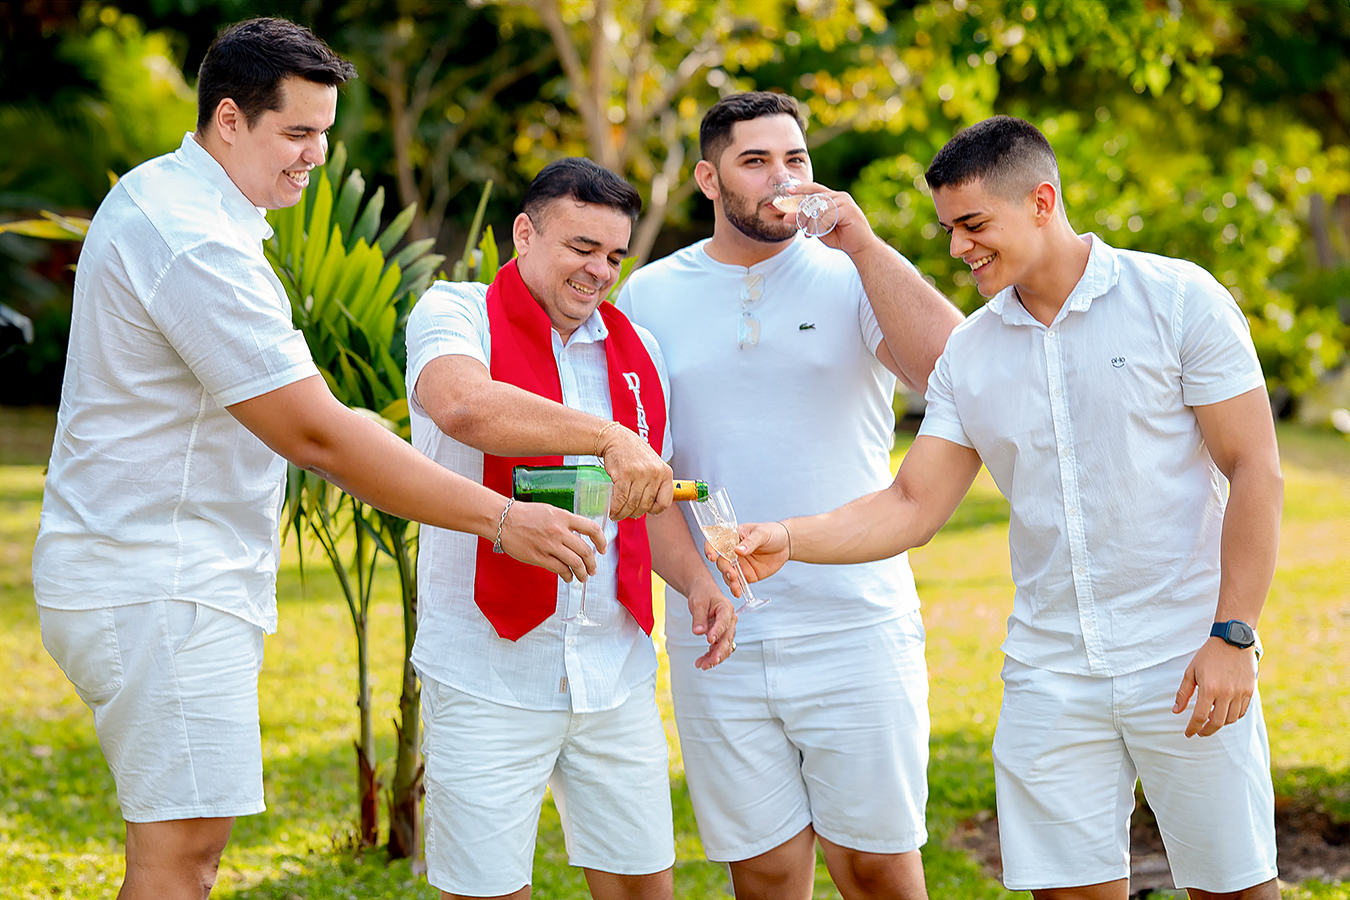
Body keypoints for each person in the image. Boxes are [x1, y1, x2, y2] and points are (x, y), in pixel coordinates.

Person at [31, 19, 602, 900]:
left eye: (324, 134)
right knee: (182, 856)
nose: (316, 157)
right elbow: (317, 435)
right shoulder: (195, 239)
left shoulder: (172, 199)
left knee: (183, 850)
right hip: (160, 582)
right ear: (229, 119)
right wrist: (500, 518)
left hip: (147, 572)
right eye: (297, 133)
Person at [725, 115, 1283, 900]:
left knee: (1235, 889)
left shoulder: (1178, 299)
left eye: (974, 224)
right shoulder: (971, 352)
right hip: (1048, 677)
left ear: (1042, 202)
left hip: (1185, 655)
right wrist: (788, 537)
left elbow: (1254, 467)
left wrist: (1233, 633)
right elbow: (912, 503)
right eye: (950, 228)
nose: (959, 247)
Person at [616, 91, 964, 900]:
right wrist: (696, 584)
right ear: (709, 179)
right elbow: (647, 474)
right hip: (719, 632)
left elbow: (959, 373)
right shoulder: (649, 296)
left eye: (796, 159)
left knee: (877, 870)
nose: (783, 178)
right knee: (766, 875)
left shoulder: (854, 274)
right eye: (756, 161)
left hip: (857, 622)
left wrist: (864, 244)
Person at [404, 156, 737, 900]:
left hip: (614, 671)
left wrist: (696, 583)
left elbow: (649, 500)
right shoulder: (456, 312)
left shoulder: (639, 350)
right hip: (486, 669)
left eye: (615, 256)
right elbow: (462, 405)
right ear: (524, 234)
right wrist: (609, 437)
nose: (600, 272)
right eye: (582, 247)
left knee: (643, 888)